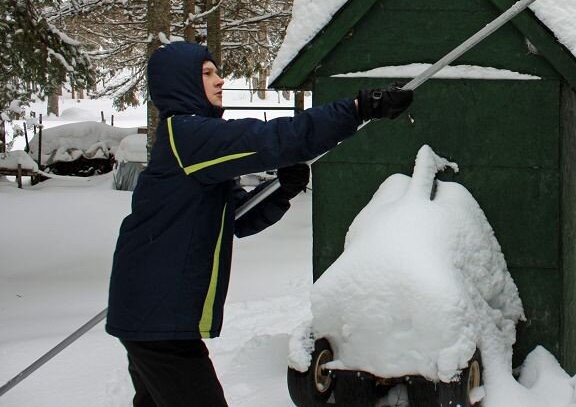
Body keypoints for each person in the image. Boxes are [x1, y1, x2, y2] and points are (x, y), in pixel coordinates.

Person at [106, 41, 412, 406]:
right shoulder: (187, 136)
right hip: (155, 312)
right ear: (180, 83)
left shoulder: (192, 142)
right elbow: (274, 139)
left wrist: (281, 189)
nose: (220, 80)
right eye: (207, 73)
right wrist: (357, 109)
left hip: (152, 311)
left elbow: (235, 218)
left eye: (217, 71)